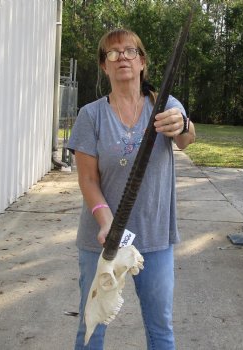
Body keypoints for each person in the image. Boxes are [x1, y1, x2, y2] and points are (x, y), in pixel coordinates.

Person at [68, 28, 196, 350]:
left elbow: (185, 139)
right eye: (113, 53)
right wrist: (106, 221)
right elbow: (88, 180)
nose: (121, 57)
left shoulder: (163, 104)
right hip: (102, 239)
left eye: (129, 51)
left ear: (141, 62)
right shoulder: (91, 115)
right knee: (91, 327)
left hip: (155, 238)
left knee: (160, 328)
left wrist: (183, 123)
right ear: (104, 66)